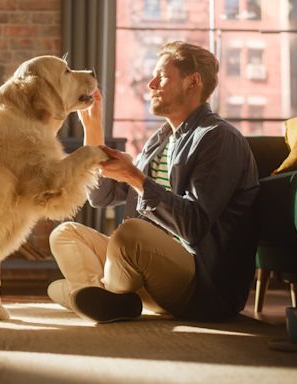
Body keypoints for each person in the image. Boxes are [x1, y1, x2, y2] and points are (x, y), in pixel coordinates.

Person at [47, 41, 260, 322]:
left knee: (129, 234)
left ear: (192, 82)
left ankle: (90, 293)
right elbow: (101, 197)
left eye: (162, 76)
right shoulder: (160, 140)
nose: (151, 84)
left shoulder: (218, 139)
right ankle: (106, 298)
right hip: (148, 272)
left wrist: (135, 177)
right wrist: (93, 126)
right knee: (66, 234)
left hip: (200, 285)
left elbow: (194, 225)